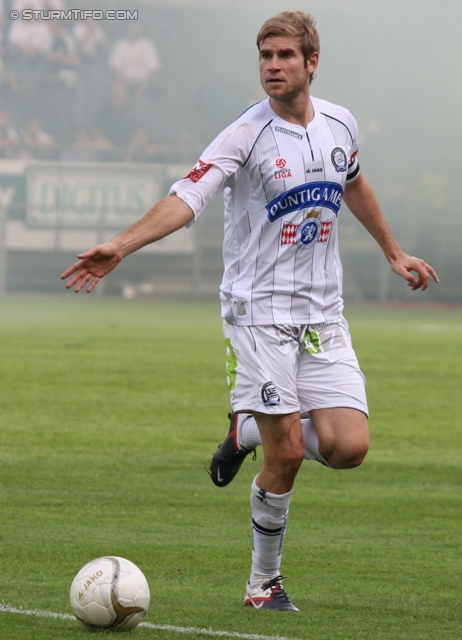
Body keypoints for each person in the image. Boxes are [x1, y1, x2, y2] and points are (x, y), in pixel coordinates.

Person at [61, 11, 439, 612]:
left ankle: (246, 428)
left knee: (349, 447)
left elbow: (354, 183)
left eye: (286, 56)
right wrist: (121, 245)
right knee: (287, 453)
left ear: (311, 63)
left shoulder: (341, 123)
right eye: (265, 56)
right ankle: (263, 586)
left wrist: (393, 251)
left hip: (323, 315)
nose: (273, 66)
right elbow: (187, 198)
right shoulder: (245, 133)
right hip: (257, 312)